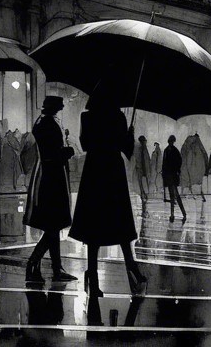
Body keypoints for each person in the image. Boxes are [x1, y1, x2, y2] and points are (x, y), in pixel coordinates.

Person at [68, 101, 147, 297]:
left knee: (93, 227)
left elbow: (85, 145)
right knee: (120, 223)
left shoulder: (87, 117)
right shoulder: (118, 117)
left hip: (94, 170)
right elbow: (126, 149)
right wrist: (129, 135)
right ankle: (132, 267)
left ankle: (93, 277)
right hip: (113, 171)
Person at [25, 96, 76, 285]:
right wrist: (67, 152)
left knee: (53, 226)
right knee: (53, 225)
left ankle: (56, 268)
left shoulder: (43, 122)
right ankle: (34, 262)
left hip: (48, 174)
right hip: (51, 177)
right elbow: (52, 153)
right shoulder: (49, 125)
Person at [162, 135, 186, 222]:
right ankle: (175, 214)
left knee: (175, 195)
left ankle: (181, 214)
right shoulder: (168, 150)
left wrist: (176, 170)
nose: (171, 143)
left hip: (172, 176)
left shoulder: (173, 151)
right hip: (170, 176)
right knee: (173, 196)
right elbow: (164, 164)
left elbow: (179, 162)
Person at [180, 133, 208, 197]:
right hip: (196, 175)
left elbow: (183, 157)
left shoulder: (186, 145)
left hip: (186, 175)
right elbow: (204, 157)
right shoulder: (198, 146)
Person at [132, 135, 152, 202]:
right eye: (144, 141)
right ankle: (143, 194)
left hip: (144, 168)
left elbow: (147, 159)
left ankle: (144, 194)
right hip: (140, 168)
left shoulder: (144, 149)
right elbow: (137, 158)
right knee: (140, 182)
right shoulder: (139, 149)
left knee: (143, 182)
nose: (145, 142)